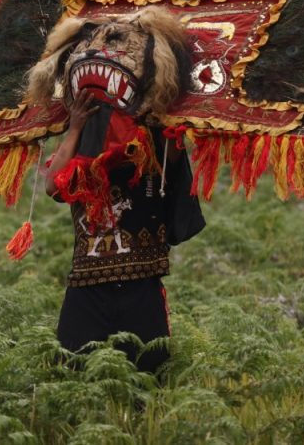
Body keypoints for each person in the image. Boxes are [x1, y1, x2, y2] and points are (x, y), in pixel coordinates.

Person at [45, 90, 204, 374]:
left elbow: (173, 155)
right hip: (87, 285)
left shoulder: (148, 157)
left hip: (141, 285)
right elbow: (52, 186)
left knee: (148, 373)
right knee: (74, 370)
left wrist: (164, 111)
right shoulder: (83, 166)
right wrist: (76, 128)